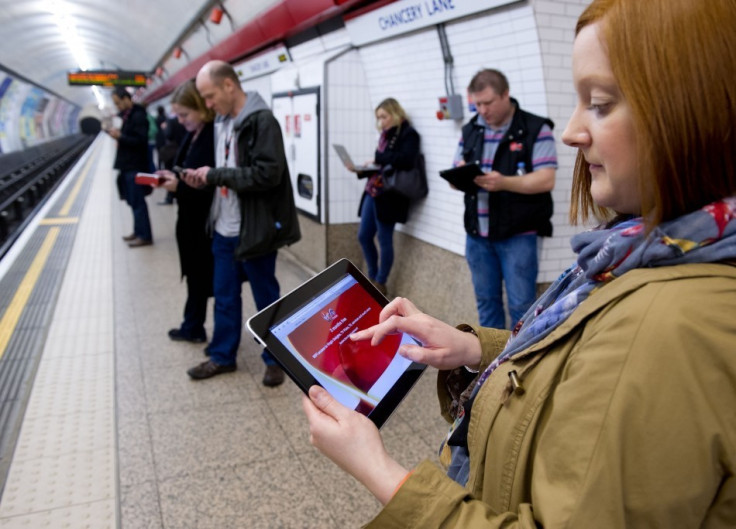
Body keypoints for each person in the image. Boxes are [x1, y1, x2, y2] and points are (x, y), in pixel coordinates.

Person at [301, 0, 736, 526]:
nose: (575, 130)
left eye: (598, 103)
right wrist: (475, 348)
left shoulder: (669, 324)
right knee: (496, 305)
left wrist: (380, 471)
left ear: (697, 109)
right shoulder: (635, 253)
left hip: (515, 233)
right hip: (479, 231)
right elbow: (580, 361)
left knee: (518, 295)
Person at [183, 60, 301, 385]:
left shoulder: (261, 122)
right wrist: (203, 179)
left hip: (254, 230)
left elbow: (267, 174)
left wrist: (216, 175)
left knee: (266, 299)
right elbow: (223, 169)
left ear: (228, 86)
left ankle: (275, 359)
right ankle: (222, 357)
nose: (207, 104)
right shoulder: (221, 121)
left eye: (209, 96)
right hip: (224, 228)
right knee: (224, 296)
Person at [453, 69, 557, 329]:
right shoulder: (470, 130)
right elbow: (457, 168)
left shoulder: (536, 128)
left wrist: (504, 183)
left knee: (522, 304)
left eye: (488, 103)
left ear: (506, 94)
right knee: (486, 301)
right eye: (477, 104)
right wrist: (460, 176)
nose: (482, 110)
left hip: (518, 235)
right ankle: (492, 364)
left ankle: (522, 363)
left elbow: (546, 179)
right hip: (477, 236)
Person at [156, 80, 215, 345]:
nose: (180, 121)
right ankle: (191, 324)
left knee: (200, 275)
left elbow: (207, 186)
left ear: (201, 107)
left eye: (184, 114)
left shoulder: (211, 135)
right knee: (195, 275)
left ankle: (194, 326)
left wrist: (178, 186)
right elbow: (187, 172)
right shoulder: (195, 134)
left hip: (202, 221)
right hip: (189, 218)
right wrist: (173, 177)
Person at [350, 98, 420, 296]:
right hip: (373, 191)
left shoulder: (408, 134)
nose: (381, 121)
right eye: (378, 118)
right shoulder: (385, 136)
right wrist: (360, 170)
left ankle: (380, 282)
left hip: (390, 195)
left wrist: (378, 159)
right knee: (363, 236)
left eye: (384, 116)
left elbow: (406, 160)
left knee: (384, 238)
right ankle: (372, 277)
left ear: (395, 114)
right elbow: (381, 165)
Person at [107, 86, 153, 247]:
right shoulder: (126, 116)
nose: (117, 107)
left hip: (135, 165)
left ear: (127, 99)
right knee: (132, 201)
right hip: (127, 165)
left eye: (118, 103)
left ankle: (145, 235)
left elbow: (140, 141)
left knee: (138, 201)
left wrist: (121, 136)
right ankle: (138, 230)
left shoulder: (138, 116)